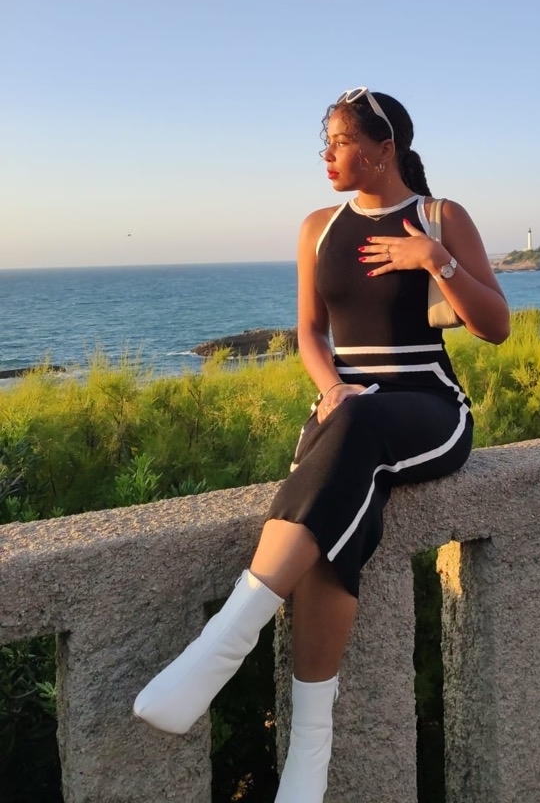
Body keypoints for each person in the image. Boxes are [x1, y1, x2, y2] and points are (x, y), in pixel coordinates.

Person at [133, 88, 510, 801]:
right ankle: (308, 760)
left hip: (429, 406)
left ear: (384, 147)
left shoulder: (440, 216)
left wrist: (435, 260)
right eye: (325, 143)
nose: (327, 155)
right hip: (346, 410)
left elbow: (495, 325)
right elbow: (310, 332)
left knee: (357, 434)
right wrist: (332, 386)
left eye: (339, 141)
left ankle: (222, 644)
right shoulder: (317, 227)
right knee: (332, 534)